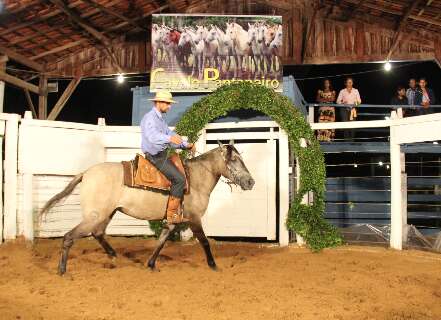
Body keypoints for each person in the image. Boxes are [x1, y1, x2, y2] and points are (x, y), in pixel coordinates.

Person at [141, 91, 195, 224]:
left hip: (162, 154)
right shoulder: (149, 118)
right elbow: (152, 137)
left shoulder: (159, 119)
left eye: (169, 104)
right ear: (158, 102)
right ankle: (171, 215)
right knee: (179, 179)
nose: (169, 106)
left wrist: (185, 145)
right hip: (155, 156)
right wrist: (169, 138)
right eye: (167, 103)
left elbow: (170, 134)